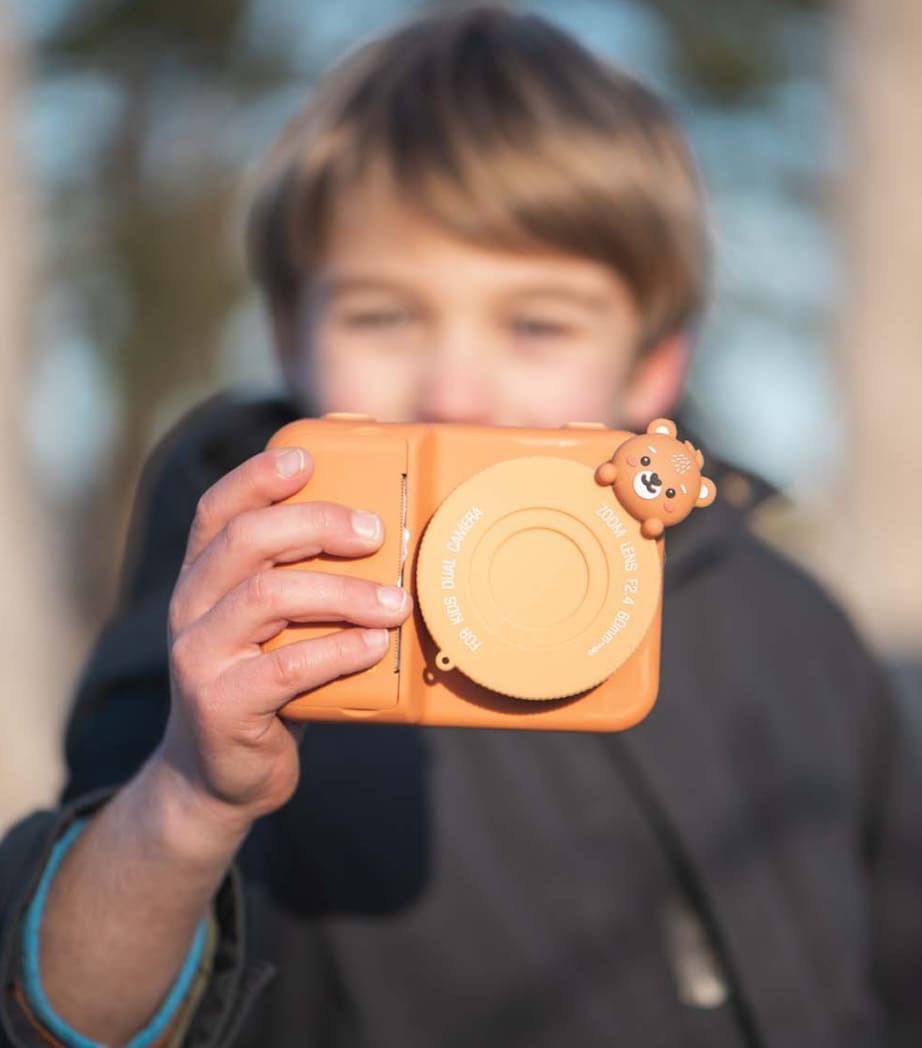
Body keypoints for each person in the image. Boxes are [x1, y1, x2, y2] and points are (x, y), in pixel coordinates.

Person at [1, 7, 920, 1047]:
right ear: (290, 336)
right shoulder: (244, 615)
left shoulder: (787, 628)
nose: (456, 389)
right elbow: (68, 1011)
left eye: (536, 324)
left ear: (651, 365)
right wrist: (188, 797)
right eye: (383, 317)